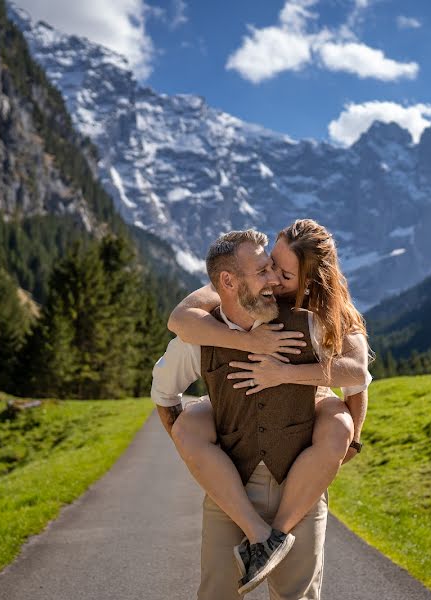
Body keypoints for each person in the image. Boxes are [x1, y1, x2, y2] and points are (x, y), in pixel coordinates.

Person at [155, 221, 370, 597]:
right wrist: (242, 339)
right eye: (269, 264)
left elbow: (357, 378)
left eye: (284, 274)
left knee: (297, 596)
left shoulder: (322, 316)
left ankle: (277, 535)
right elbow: (178, 332)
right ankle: (260, 535)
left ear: (308, 282)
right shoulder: (211, 318)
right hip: (233, 483)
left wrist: (288, 376)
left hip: (298, 479)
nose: (272, 278)